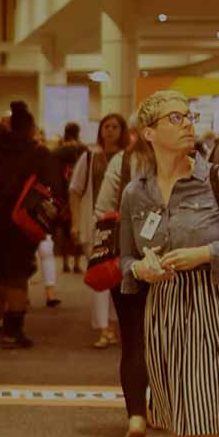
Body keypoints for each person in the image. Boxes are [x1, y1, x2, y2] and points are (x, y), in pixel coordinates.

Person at [119, 90, 219, 437]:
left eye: (189, 116)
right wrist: (141, 269)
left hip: (211, 308)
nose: (187, 124)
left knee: (209, 425)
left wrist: (207, 253)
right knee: (182, 430)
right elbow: (125, 260)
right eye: (175, 118)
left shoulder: (217, 178)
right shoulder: (136, 192)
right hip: (163, 314)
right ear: (148, 133)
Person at [0, 101, 61, 348]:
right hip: (22, 223)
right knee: (17, 276)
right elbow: (53, 188)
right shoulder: (38, 154)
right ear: (31, 128)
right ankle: (14, 330)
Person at [95, 120, 150, 437]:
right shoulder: (190, 164)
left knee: (133, 339)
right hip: (177, 261)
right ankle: (157, 408)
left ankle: (136, 416)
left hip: (127, 259)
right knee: (168, 338)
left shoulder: (123, 160)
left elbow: (102, 210)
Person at [72, 114, 130, 348]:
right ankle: (104, 328)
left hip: (123, 226)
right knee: (99, 274)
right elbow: (75, 190)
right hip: (94, 225)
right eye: (106, 126)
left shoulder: (129, 157)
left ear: (123, 130)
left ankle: (114, 326)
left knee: (118, 277)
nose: (110, 130)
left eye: (115, 126)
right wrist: (75, 222)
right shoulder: (89, 156)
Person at [52, 122, 89, 274]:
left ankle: (65, 262)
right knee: (77, 226)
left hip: (62, 194)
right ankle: (77, 264)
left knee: (64, 230)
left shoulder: (57, 151)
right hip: (78, 193)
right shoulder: (83, 150)